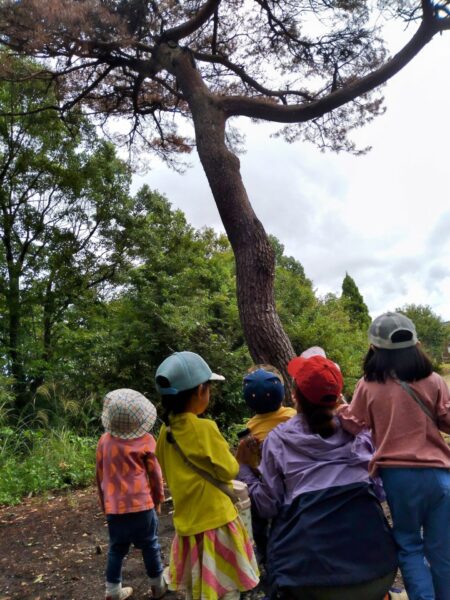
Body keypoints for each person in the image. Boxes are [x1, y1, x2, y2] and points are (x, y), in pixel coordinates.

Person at [238, 353, 398, 600]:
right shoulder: (359, 434)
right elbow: (380, 491)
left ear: (294, 395)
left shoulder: (278, 440)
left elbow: (267, 506)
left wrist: (245, 469)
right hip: (378, 575)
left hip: (307, 582)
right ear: (338, 396)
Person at [338, 312, 450, 600]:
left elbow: (354, 424)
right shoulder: (434, 380)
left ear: (374, 349)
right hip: (440, 476)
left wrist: (341, 410)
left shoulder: (367, 385)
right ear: (416, 345)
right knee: (442, 551)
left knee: (410, 545)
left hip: (398, 478)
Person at [155, 351, 259, 600]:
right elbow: (228, 470)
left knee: (199, 584)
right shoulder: (205, 428)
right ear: (200, 391)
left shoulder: (164, 431)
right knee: (226, 586)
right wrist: (241, 457)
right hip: (217, 522)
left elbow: (163, 464)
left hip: (188, 524)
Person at [96, 389, 167, 600]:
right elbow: (155, 474)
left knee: (116, 549)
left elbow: (99, 475)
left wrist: (104, 503)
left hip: (115, 508)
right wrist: (158, 499)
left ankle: (113, 591)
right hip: (142, 505)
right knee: (150, 545)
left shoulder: (104, 441)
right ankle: (158, 586)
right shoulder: (147, 440)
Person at [240, 365, 296, 565]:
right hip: (293, 478)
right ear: (282, 396)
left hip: (264, 481)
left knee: (258, 520)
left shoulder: (251, 428)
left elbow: (251, 459)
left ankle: (263, 551)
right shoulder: (292, 416)